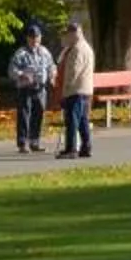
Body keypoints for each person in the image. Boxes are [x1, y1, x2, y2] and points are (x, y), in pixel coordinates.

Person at [7, 24, 54, 154]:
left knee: (39, 114)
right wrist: (21, 74)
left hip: (41, 88)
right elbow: (11, 70)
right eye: (32, 38)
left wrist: (52, 73)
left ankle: (35, 142)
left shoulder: (44, 51)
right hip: (25, 88)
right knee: (24, 115)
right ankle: (23, 143)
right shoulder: (21, 53)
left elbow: (51, 65)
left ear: (41, 37)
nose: (35, 40)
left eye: (37, 37)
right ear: (27, 38)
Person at [53, 20, 95, 159]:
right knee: (82, 120)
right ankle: (86, 146)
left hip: (75, 90)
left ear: (76, 33)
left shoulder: (77, 49)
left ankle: (71, 149)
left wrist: (65, 91)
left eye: (69, 34)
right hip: (84, 89)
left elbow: (73, 72)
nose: (67, 37)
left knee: (72, 120)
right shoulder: (86, 48)